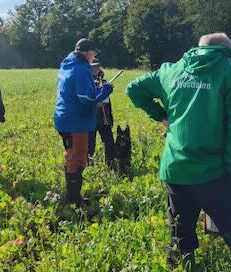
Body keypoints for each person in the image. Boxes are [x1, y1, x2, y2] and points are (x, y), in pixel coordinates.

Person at [126, 33, 231, 270]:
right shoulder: (227, 71)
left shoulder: (171, 70)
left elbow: (134, 89)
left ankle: (182, 265)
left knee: (180, 232)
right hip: (212, 171)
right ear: (225, 50)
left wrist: (162, 116)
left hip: (175, 169)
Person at [54, 38, 113, 207]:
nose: (94, 57)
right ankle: (74, 201)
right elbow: (86, 99)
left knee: (72, 156)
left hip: (66, 118)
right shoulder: (80, 69)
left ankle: (73, 196)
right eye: (94, 53)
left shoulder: (67, 65)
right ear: (87, 53)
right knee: (78, 159)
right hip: (75, 121)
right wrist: (105, 90)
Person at [88, 58, 115, 167]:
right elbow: (93, 101)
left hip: (104, 120)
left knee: (109, 145)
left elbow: (106, 103)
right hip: (90, 120)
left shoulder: (104, 82)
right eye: (93, 66)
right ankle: (88, 168)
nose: (96, 69)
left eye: (98, 66)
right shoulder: (85, 83)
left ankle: (111, 166)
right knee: (89, 147)